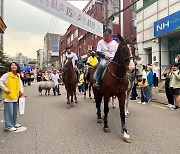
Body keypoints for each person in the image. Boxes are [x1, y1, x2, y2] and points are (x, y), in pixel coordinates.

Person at [0, 62, 26, 132]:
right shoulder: (7, 75)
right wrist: (5, 89)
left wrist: (22, 92)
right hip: (8, 97)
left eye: (15, 65)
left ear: (17, 67)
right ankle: (8, 126)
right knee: (9, 112)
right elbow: (0, 81)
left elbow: (20, 85)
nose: (13, 66)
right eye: (12, 65)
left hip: (15, 96)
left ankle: (13, 123)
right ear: (10, 67)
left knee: (14, 112)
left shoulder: (17, 75)